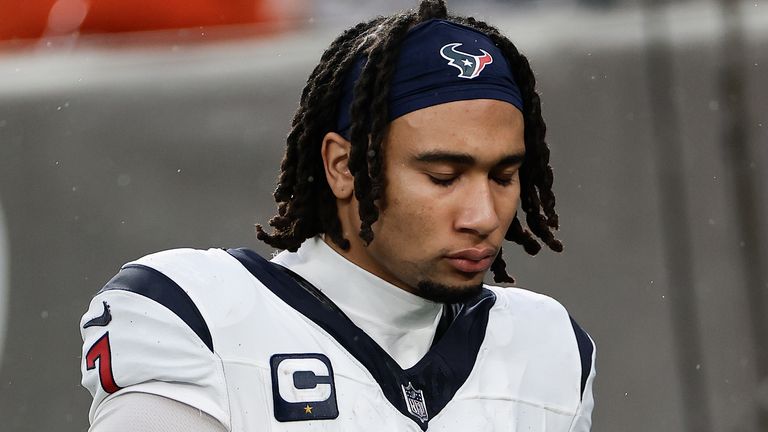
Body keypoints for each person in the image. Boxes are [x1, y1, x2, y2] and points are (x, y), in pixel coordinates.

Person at [79, 1, 596, 431]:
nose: (483, 216)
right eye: (443, 176)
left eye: (504, 177)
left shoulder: (547, 345)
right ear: (343, 166)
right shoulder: (198, 314)